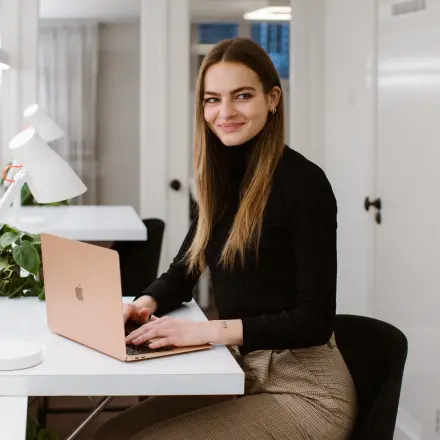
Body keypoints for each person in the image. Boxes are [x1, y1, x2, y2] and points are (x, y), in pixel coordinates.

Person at [94, 37, 357, 440]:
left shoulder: (305, 185)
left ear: (273, 99)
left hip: (304, 391)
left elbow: (315, 320)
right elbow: (184, 270)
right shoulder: (218, 182)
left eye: (242, 96)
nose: (225, 112)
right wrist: (143, 304)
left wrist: (204, 331)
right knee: (108, 434)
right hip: (239, 373)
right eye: (212, 99)